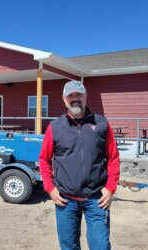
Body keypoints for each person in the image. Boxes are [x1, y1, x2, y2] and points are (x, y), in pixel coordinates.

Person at [39, 80, 120, 250]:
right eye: (71, 96)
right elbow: (44, 159)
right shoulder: (54, 127)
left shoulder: (102, 124)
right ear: (64, 99)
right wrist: (50, 189)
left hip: (97, 199)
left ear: (86, 96)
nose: (75, 99)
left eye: (79, 95)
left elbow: (113, 157)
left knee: (101, 246)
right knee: (69, 246)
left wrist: (110, 187)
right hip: (65, 200)